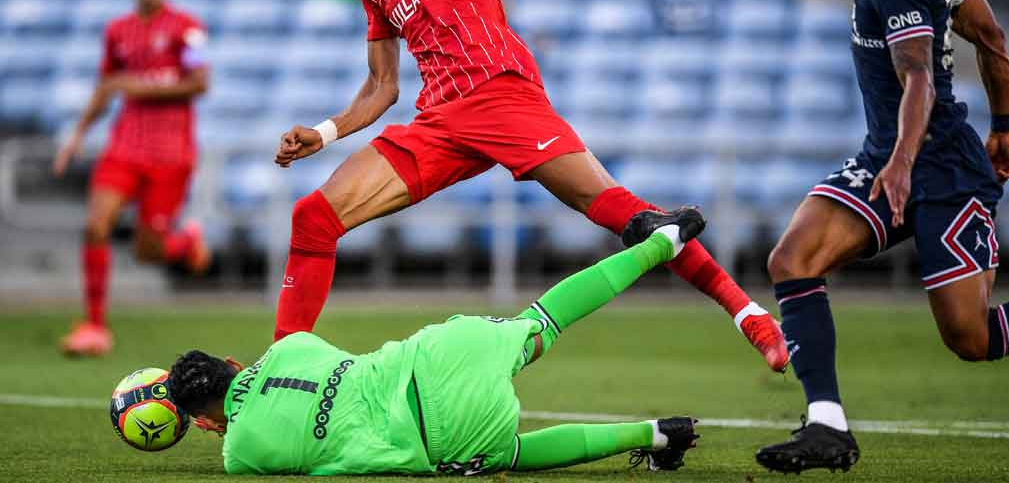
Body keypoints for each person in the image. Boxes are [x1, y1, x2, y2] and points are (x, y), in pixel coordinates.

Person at [270, 0, 787, 371]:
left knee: (629, 217)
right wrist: (326, 132)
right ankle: (277, 373)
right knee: (313, 217)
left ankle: (748, 314)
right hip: (439, 121)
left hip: (500, 94)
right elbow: (382, 86)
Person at [756, 0, 1009, 474]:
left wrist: (904, 160)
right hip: (889, 156)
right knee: (793, 259)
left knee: (970, 338)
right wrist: (1005, 124)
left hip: (938, 168)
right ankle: (827, 427)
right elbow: (988, 32)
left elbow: (920, 75)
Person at [167, 211, 706, 475]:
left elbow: (259, 431)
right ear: (232, 362)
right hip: (442, 351)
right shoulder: (290, 348)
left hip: (437, 434)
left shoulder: (239, 454)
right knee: (543, 321)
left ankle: (658, 435)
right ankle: (662, 243)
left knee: (511, 455)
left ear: (206, 421)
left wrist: (227, 424)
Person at [53, 0, 212, 357]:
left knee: (148, 252)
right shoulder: (117, 32)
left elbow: (200, 83)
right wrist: (76, 136)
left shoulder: (187, 28)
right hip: (123, 148)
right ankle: (94, 326)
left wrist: (143, 88)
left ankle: (185, 244)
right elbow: (106, 88)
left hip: (171, 153)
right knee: (95, 225)